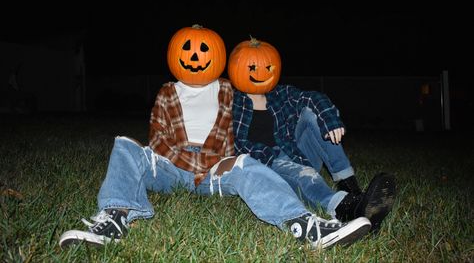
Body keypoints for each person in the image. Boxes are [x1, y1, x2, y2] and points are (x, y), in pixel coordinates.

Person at [58, 25, 371, 250]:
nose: (195, 56)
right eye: (188, 50)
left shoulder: (227, 91)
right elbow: (157, 138)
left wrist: (209, 164)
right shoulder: (167, 93)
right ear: (174, 55)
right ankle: (115, 217)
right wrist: (186, 162)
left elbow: (231, 140)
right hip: (171, 165)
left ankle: (304, 224)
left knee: (247, 164)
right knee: (125, 145)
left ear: (220, 58)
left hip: (213, 167)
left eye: (203, 50)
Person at [228, 37, 396, 232]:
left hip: (294, 152)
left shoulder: (280, 94)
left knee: (311, 113)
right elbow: (234, 143)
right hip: (265, 163)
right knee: (304, 177)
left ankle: (349, 186)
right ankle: (345, 207)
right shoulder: (231, 102)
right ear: (235, 68)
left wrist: (329, 119)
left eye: (268, 67)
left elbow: (312, 97)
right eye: (252, 68)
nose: (261, 73)